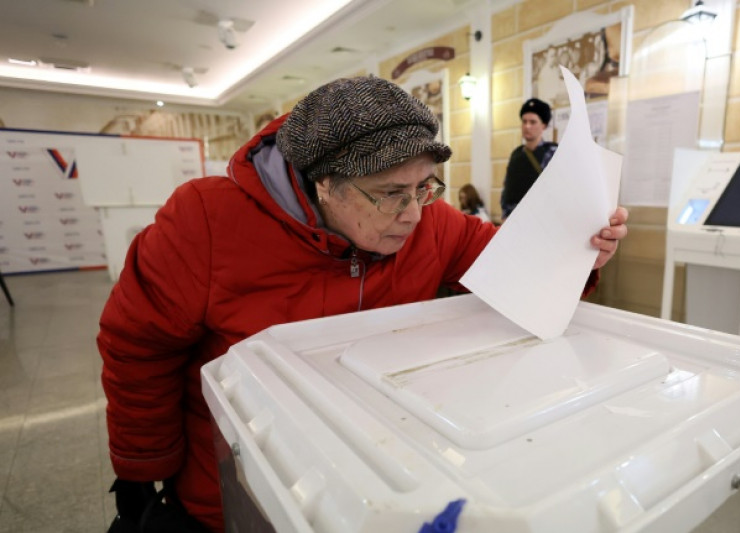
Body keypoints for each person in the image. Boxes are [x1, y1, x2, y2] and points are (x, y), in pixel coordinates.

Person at [98, 75, 628, 533]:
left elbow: (517, 268)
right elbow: (138, 347)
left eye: (425, 187)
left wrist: (581, 249)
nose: (413, 213)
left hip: (378, 477)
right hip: (239, 484)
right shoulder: (204, 222)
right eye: (391, 193)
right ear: (324, 185)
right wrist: (145, 471)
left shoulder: (432, 223)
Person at [500, 98, 558, 219]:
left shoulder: (553, 153)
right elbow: (507, 191)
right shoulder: (516, 154)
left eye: (533, 122)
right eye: (524, 121)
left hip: (543, 219)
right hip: (515, 219)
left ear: (543, 125)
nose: (527, 126)